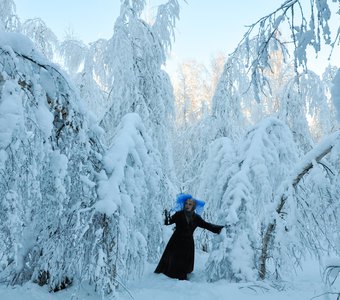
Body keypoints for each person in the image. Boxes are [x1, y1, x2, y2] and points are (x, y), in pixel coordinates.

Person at [154, 193, 223, 280]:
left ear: (193, 206)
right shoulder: (179, 214)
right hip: (176, 241)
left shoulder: (196, 217)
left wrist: (220, 228)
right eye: (186, 203)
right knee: (175, 260)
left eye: (190, 204)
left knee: (184, 260)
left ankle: (182, 275)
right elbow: (168, 222)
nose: (187, 205)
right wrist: (165, 214)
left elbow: (206, 225)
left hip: (188, 242)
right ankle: (173, 275)